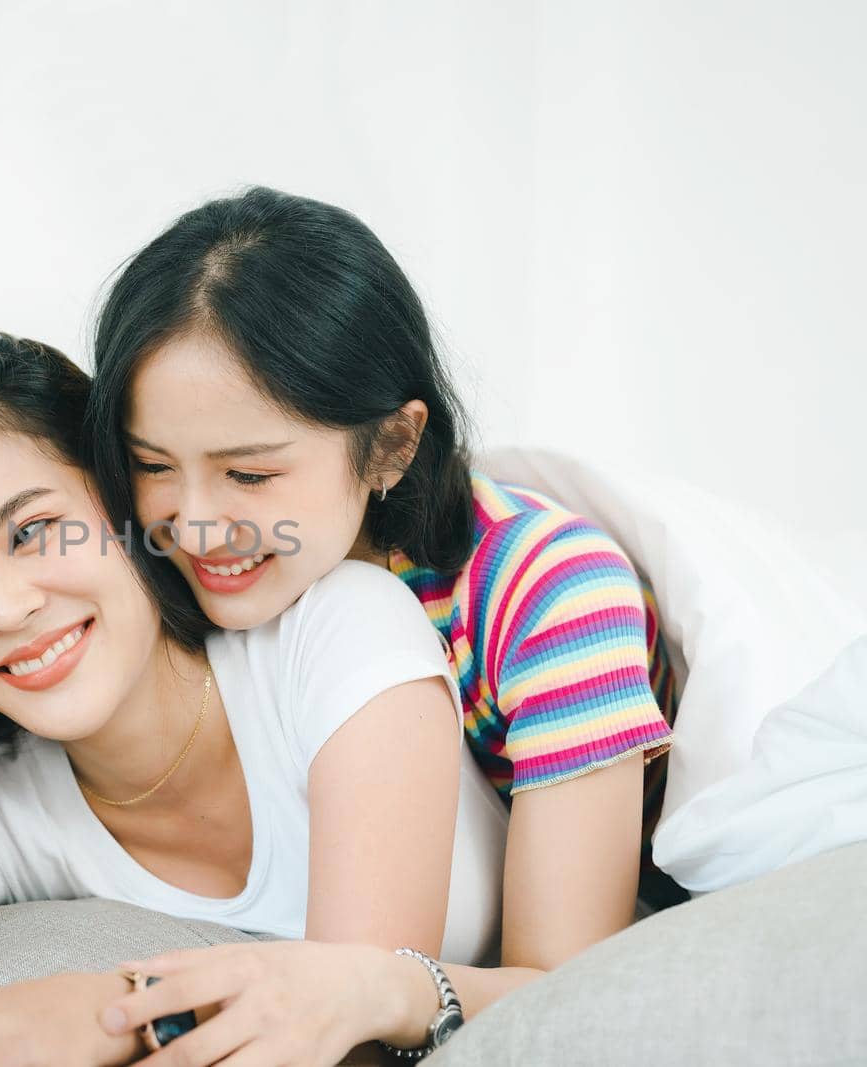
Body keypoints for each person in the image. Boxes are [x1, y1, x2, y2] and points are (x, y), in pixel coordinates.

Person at [0, 328, 509, 1064]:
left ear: (127, 504)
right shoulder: (6, 805)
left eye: (34, 530)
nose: (4, 608)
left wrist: (117, 1011)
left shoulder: (335, 631)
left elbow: (344, 1035)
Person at [84, 186, 678, 1057]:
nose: (196, 524)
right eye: (152, 464)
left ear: (393, 447)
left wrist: (369, 987)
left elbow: (562, 990)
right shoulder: (135, 557)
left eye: (249, 475)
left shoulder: (549, 596)